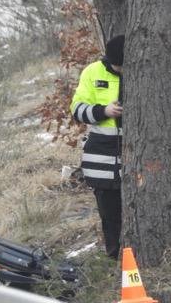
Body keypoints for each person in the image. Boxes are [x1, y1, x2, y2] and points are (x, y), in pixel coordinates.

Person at [70, 35, 124, 258]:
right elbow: (77, 109)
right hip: (101, 156)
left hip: (131, 155)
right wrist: (104, 111)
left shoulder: (142, 70)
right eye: (117, 66)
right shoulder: (92, 72)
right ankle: (114, 256)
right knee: (109, 212)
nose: (121, 70)